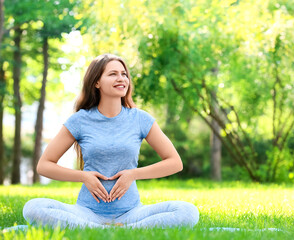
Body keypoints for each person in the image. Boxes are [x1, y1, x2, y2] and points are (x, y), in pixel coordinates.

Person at [22, 53, 199, 229]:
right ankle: (107, 229)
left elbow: (175, 163)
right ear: (96, 82)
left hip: (132, 213)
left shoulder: (140, 119)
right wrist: (84, 176)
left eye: (124, 74)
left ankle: (115, 229)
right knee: (33, 207)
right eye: (113, 74)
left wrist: (133, 174)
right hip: (86, 212)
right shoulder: (80, 120)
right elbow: (44, 165)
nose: (121, 78)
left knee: (187, 211)